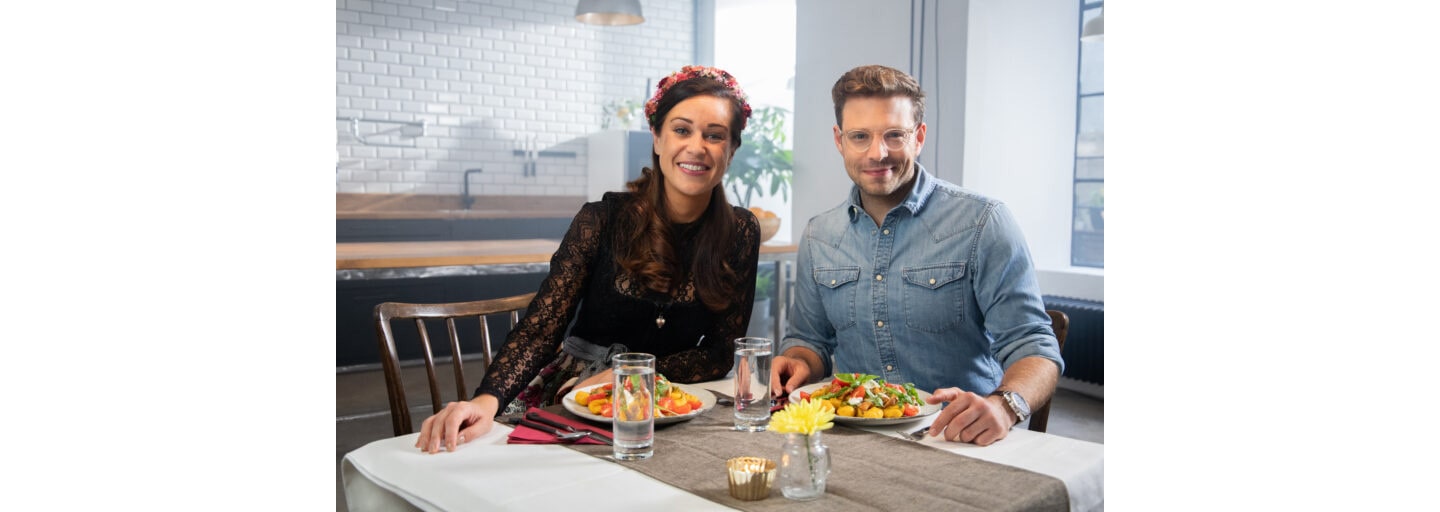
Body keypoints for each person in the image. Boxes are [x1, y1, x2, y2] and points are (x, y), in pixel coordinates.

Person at [416, 65, 762, 454]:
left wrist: (628, 378)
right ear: (657, 138)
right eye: (681, 130)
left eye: (714, 136)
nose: (697, 147)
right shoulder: (601, 219)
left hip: (668, 401)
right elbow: (540, 330)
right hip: (572, 392)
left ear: (731, 150)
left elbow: (720, 352)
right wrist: (486, 399)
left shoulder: (741, 232)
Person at [770, 64, 1064, 447]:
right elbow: (809, 340)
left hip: (957, 438)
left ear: (919, 137)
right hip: (850, 439)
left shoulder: (983, 222)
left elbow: (1035, 346)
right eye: (860, 136)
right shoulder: (818, 236)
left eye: (895, 135)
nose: (878, 153)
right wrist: (800, 361)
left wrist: (1004, 405)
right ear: (839, 140)